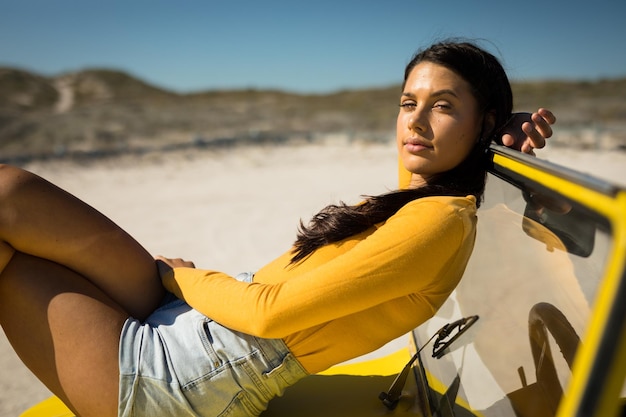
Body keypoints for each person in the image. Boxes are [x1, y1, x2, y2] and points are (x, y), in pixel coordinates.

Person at [0, 40, 555, 417]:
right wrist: (488, 136)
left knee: (14, 264)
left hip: (187, 381)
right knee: (11, 194)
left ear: (478, 119)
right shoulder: (425, 202)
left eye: (443, 106)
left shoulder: (441, 223)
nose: (414, 119)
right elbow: (417, 178)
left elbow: (269, 316)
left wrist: (180, 278)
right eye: (409, 102)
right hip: (202, 325)